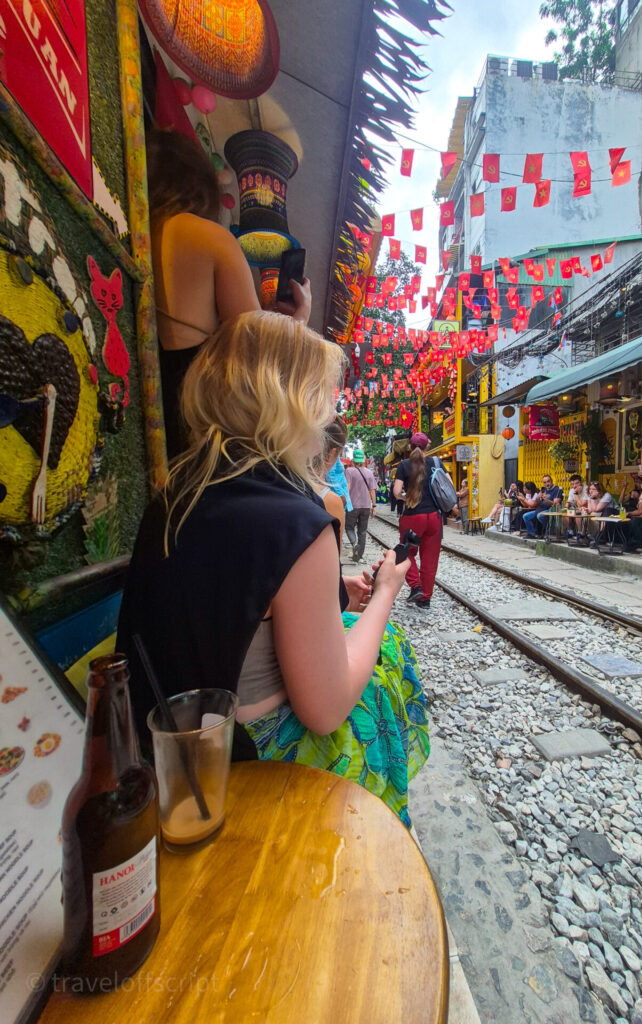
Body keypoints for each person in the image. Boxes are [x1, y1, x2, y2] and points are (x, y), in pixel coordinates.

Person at [117, 312, 428, 827]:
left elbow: (231, 601)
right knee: (388, 650)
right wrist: (385, 595)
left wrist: (328, 596)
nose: (330, 414)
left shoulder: (175, 496)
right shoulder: (297, 520)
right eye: (324, 396)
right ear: (292, 403)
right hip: (251, 760)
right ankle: (378, 832)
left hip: (165, 753)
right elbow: (324, 710)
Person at [147, 129, 312, 458]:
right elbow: (255, 357)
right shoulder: (209, 237)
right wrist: (298, 321)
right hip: (191, 424)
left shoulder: (135, 230)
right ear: (199, 185)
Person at [393, 432, 444, 609]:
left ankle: (416, 587)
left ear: (410, 446)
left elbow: (396, 492)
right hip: (434, 518)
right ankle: (425, 599)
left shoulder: (404, 465)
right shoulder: (436, 463)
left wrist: (406, 498)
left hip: (413, 517)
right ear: (426, 447)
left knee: (406, 552)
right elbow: (448, 486)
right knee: (430, 559)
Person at [344, 450, 376, 562]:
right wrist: (374, 506)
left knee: (349, 527)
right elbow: (372, 491)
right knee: (362, 531)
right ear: (363, 460)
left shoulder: (349, 471)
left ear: (353, 460)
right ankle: (359, 556)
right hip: (366, 506)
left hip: (353, 506)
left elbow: (347, 488)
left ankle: (354, 544)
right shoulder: (369, 472)